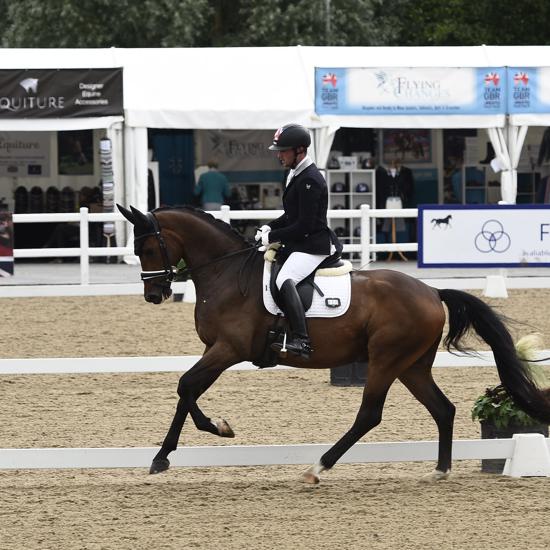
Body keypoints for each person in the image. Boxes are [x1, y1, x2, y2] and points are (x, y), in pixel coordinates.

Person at [256, 123, 343, 359]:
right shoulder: (296, 174)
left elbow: (304, 225)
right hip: (301, 242)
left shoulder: (311, 179)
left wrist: (272, 237)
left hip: (313, 245)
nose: (279, 155)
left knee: (285, 278)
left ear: (300, 151)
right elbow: (290, 215)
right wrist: (270, 226)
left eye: (283, 151)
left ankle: (302, 340)